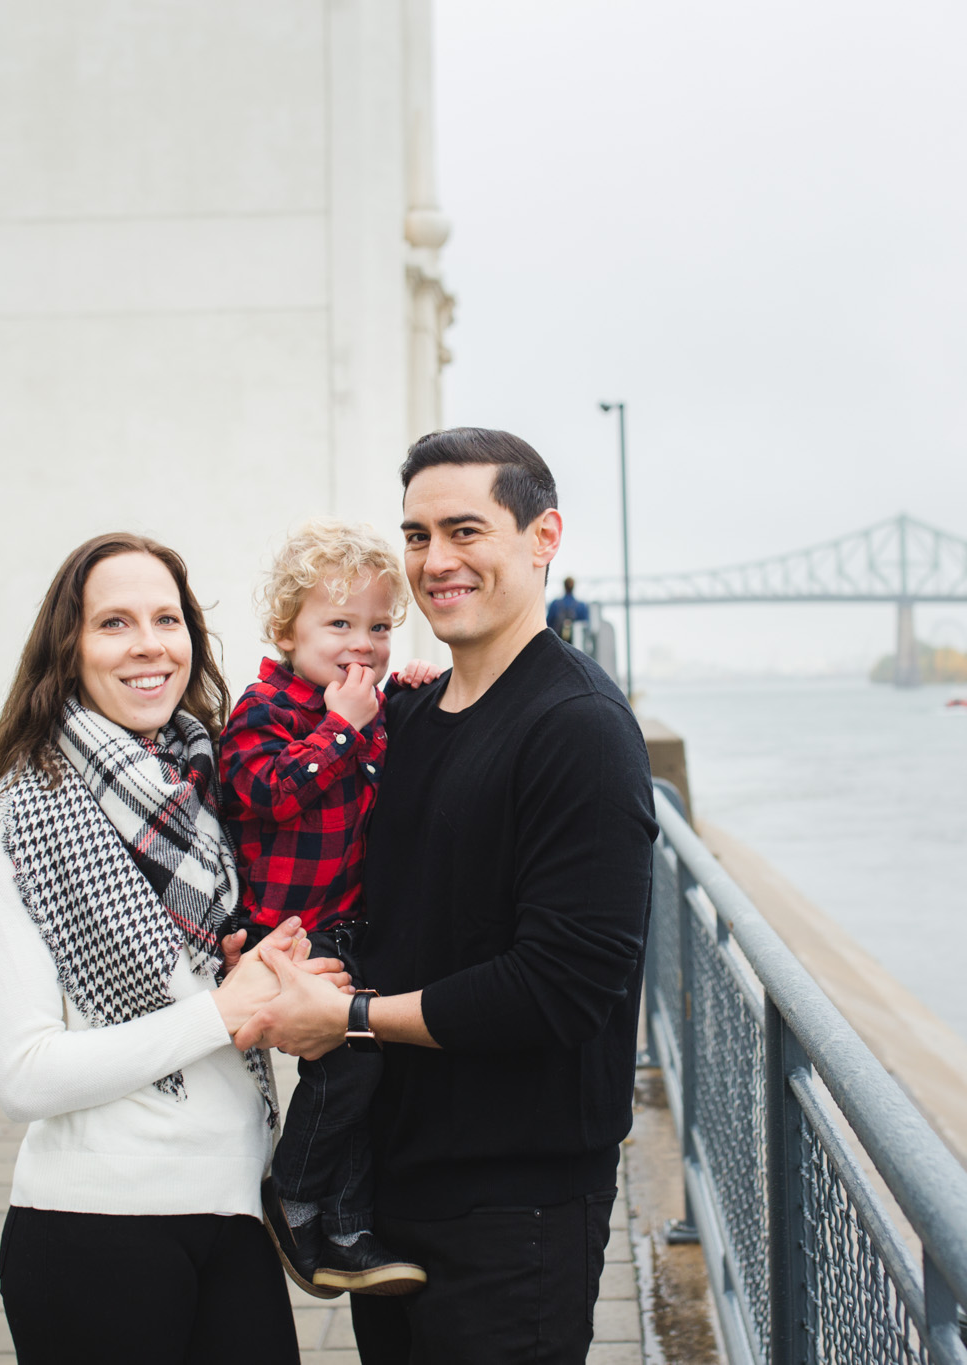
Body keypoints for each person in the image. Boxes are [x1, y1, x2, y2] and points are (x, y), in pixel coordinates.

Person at [237, 429, 658, 1365]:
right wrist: (275, 954)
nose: (436, 560)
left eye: (465, 529)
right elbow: (359, 889)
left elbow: (562, 985)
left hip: (518, 1208)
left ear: (543, 536)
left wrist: (346, 1017)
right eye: (418, 535)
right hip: (392, 1195)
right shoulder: (407, 719)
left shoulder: (579, 729)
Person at [0, 531, 339, 1365]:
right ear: (68, 648)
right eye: (114, 622)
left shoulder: (210, 792)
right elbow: (23, 1074)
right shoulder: (21, 816)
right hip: (94, 1232)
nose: (149, 645)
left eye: (167, 618)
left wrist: (276, 981)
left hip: (237, 1211)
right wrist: (223, 1008)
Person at [215, 519, 438, 1298]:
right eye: (338, 623)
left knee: (366, 1075)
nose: (363, 643)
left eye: (379, 626)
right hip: (284, 936)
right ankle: (293, 1194)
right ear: (286, 631)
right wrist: (345, 726)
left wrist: (403, 699)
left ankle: (346, 1233)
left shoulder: (366, 707)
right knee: (350, 1067)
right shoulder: (263, 710)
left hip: (345, 929)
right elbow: (268, 791)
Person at [546, 576, 590, 641]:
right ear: (574, 586)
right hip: (575, 644)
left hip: (557, 643)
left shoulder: (555, 604)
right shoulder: (581, 606)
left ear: (564, 586)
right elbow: (586, 627)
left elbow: (548, 624)